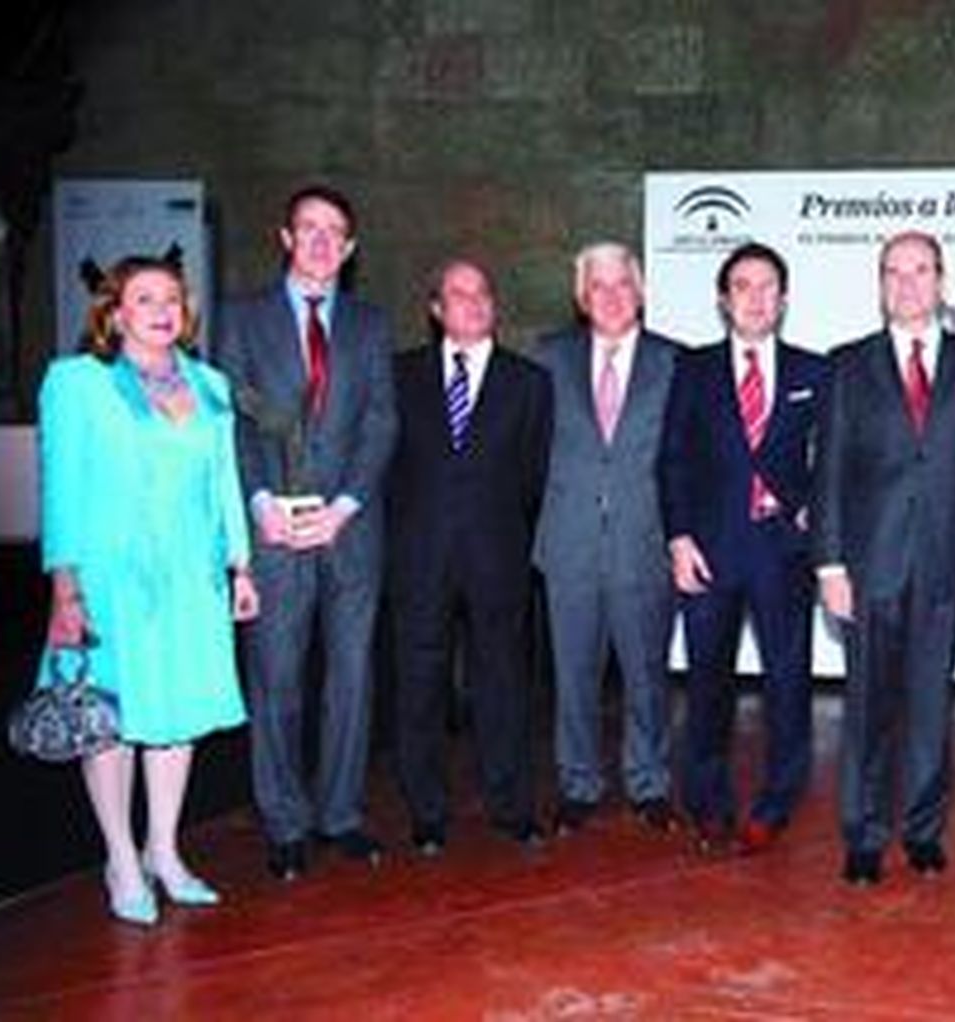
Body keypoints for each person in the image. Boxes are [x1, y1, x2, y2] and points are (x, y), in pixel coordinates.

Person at [38, 256, 259, 925]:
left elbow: (223, 482)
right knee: (114, 719)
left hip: (191, 577)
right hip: (111, 579)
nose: (161, 309)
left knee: (178, 716)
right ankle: (121, 861)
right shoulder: (78, 383)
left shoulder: (210, 384)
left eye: (171, 298)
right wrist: (64, 588)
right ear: (115, 312)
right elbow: (62, 488)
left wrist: (240, 567)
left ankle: (163, 850)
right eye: (143, 298)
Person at [216, 185, 398, 881]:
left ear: (350, 249)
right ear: (286, 238)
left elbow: (381, 421)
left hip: (351, 529)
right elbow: (229, 420)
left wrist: (346, 504)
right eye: (309, 229)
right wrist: (260, 501)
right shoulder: (241, 318)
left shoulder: (371, 324)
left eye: (336, 232)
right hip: (272, 530)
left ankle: (342, 814)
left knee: (352, 677)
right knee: (277, 680)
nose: (322, 242)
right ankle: (285, 821)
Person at [813, 231, 955, 886]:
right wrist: (830, 565)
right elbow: (829, 470)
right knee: (867, 706)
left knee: (930, 704)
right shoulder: (847, 364)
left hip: (948, 562)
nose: (907, 283)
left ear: (941, 280)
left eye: (920, 271)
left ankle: (923, 831)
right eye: (893, 272)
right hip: (868, 566)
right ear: (880, 284)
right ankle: (863, 834)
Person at [659, 242, 829, 855]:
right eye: (742, 286)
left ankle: (778, 800)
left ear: (783, 300)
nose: (755, 298)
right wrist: (677, 538)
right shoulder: (693, 369)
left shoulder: (817, 372)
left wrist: (815, 507)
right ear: (723, 300)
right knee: (708, 682)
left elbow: (833, 461)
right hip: (709, 551)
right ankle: (708, 802)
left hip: (784, 551)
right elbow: (673, 460)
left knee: (788, 681)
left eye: (766, 287)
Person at [388, 259, 552, 856]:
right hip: (418, 558)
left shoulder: (530, 383)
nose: (474, 303)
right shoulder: (398, 376)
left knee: (503, 684)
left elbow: (534, 477)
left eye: (483, 292)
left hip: (498, 556)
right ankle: (427, 812)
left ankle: (511, 805)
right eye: (459, 294)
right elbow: (389, 469)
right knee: (419, 685)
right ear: (436, 309)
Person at [531, 242, 681, 834]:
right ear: (580, 296)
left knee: (647, 673)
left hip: (646, 543)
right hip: (567, 544)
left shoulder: (676, 361)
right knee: (573, 673)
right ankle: (579, 783)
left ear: (640, 291)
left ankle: (649, 782)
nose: (612, 296)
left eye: (622, 284)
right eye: (598, 286)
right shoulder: (546, 359)